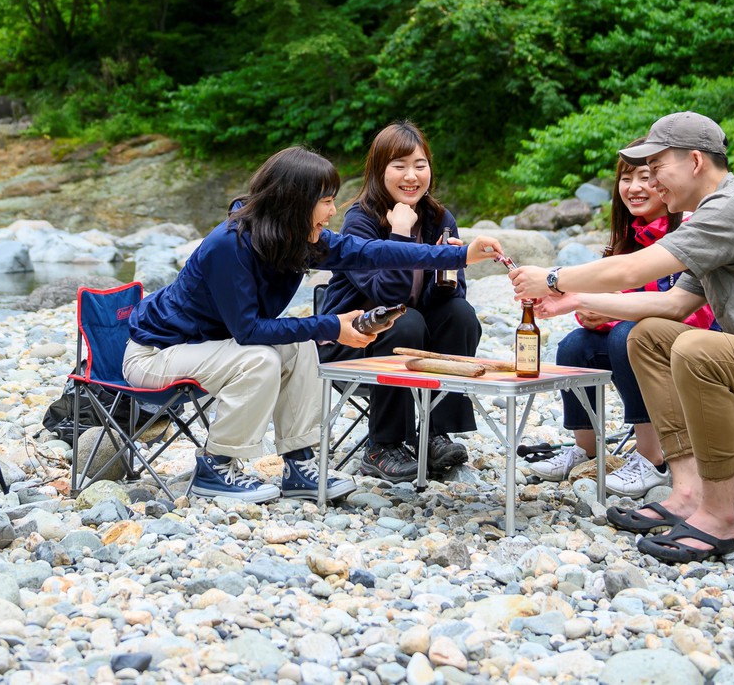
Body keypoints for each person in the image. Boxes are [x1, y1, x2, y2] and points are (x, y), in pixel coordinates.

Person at [510, 112, 734, 563]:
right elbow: (672, 306)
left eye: (658, 167)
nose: (653, 181)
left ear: (696, 161)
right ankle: (687, 492)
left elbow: (633, 270)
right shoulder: (711, 215)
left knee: (696, 347)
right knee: (649, 337)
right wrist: (575, 300)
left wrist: (553, 277)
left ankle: (722, 515)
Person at [123, 145, 505, 504]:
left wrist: (458, 256)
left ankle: (299, 463)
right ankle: (216, 466)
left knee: (301, 345)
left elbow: (372, 252)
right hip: (158, 356)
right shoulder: (230, 245)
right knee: (262, 358)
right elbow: (249, 331)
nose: (333, 210)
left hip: (214, 351)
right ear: (295, 203)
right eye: (325, 201)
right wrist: (333, 326)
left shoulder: (296, 238)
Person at [529, 144, 714, 498]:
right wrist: (592, 312)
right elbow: (617, 301)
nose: (634, 187)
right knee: (575, 346)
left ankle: (653, 458)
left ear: (665, 181)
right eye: (626, 178)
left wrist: (610, 310)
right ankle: (587, 451)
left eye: (645, 176)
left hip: (696, 345)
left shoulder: (688, 230)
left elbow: (692, 313)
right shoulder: (630, 236)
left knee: (627, 336)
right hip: (650, 336)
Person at [319, 121, 483, 483]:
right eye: (399, 165)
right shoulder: (360, 221)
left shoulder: (440, 219)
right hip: (352, 341)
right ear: (380, 171)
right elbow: (387, 297)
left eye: (420, 165)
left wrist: (446, 275)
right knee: (403, 320)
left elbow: (449, 298)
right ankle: (383, 445)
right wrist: (401, 234)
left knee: (461, 315)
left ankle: (435, 433)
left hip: (411, 335)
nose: (412, 176)